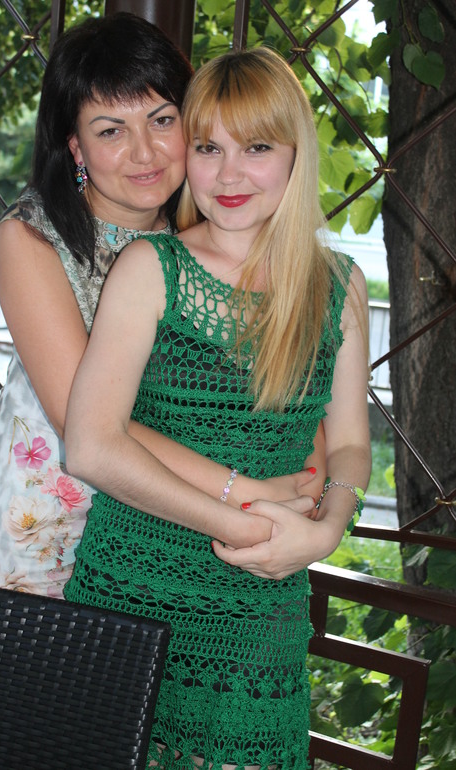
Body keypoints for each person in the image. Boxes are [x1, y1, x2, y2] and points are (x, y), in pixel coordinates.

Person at [63, 47, 372, 769]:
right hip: (130, 584)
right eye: (208, 148)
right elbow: (92, 445)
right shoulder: (151, 268)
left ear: (295, 155)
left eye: (256, 148)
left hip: (261, 607)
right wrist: (243, 525)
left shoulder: (339, 285)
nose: (229, 174)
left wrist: (327, 531)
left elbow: (351, 445)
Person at [0, 15, 322, 598]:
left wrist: (306, 501)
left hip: (170, 525)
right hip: (48, 520)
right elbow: (79, 421)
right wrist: (243, 494)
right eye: (111, 131)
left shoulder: (210, 236)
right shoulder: (31, 237)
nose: (145, 151)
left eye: (162, 120)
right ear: (75, 146)